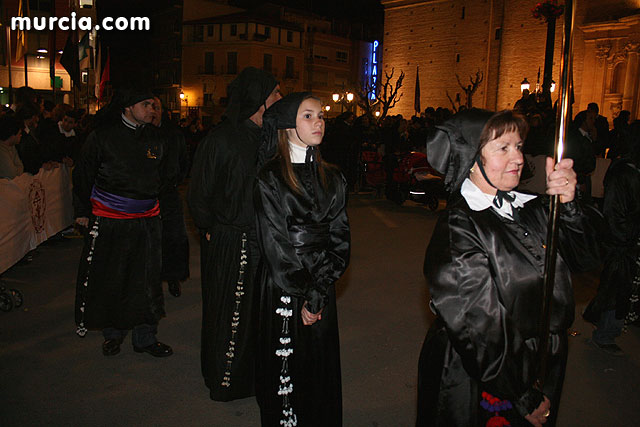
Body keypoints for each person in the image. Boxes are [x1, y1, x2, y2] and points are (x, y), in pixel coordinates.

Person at [416, 109, 600, 426]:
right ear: (471, 159)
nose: (518, 157)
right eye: (503, 148)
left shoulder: (530, 205)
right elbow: (478, 327)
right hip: (487, 373)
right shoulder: (458, 228)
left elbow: (588, 261)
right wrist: (520, 393)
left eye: (518, 145)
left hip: (542, 360)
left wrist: (568, 206)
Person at [254, 92, 350, 426]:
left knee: (319, 365)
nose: (319, 122)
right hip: (286, 283)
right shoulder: (270, 178)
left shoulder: (334, 177)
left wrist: (321, 288)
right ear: (286, 125)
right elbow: (275, 243)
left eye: (321, 115)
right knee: (287, 367)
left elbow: (339, 238)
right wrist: (305, 291)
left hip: (320, 284)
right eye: (308, 116)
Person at [188, 67, 281, 401]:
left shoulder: (269, 140)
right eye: (275, 94)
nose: (279, 99)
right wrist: (209, 229)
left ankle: (254, 378)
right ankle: (226, 380)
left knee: (259, 315)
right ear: (259, 101)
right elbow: (199, 193)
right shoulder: (221, 139)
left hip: (263, 241)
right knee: (231, 312)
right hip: (233, 239)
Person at [73, 87, 173, 358]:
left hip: (147, 222)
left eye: (154, 105)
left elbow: (166, 177)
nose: (152, 109)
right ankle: (113, 335)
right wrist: (82, 209)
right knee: (114, 278)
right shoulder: (102, 137)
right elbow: (83, 174)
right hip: (111, 221)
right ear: (128, 107)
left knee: (146, 281)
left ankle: (145, 337)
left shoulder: (156, 138)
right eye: (146, 104)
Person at [583, 121, 640, 355]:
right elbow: (614, 213)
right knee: (615, 289)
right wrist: (627, 236)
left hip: (629, 239)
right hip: (623, 242)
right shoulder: (623, 172)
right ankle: (605, 333)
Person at [151, 97, 190, 297]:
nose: (152, 111)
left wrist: (175, 180)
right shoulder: (143, 134)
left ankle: (173, 277)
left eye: (156, 107)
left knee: (173, 237)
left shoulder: (174, 134)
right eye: (150, 106)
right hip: (147, 194)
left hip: (169, 194)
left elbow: (184, 161)